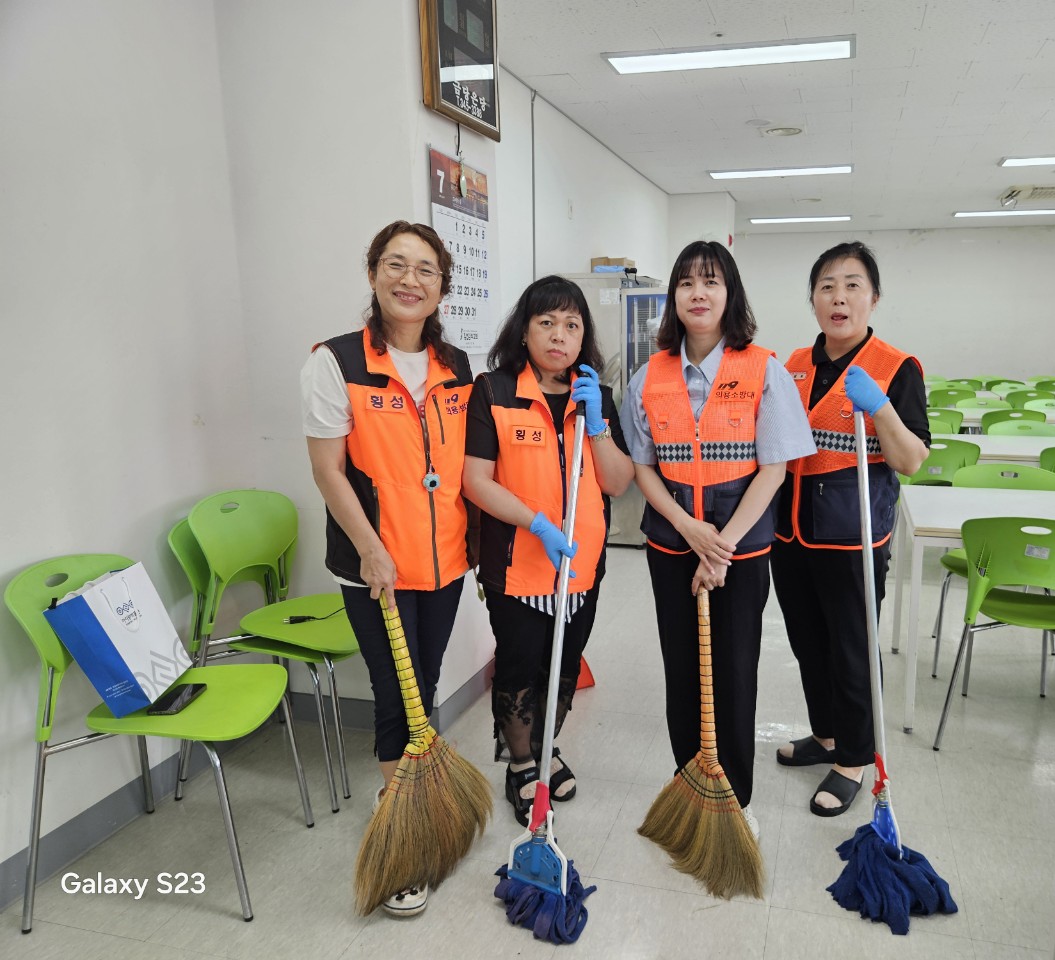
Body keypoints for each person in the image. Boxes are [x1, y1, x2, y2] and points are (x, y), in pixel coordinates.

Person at [302, 220, 475, 917]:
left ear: (441, 287)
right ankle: (400, 827)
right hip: (376, 564)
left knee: (423, 682)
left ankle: (413, 799)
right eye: (396, 265)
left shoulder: (456, 364)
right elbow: (328, 470)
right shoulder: (335, 361)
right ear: (374, 274)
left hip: (446, 560)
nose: (411, 280)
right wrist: (371, 548)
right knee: (396, 692)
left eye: (426, 269)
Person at [621, 240, 815, 838]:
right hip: (671, 544)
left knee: (733, 672)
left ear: (731, 294)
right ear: (673, 298)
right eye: (686, 283)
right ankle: (690, 788)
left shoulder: (763, 369)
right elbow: (643, 468)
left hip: (742, 550)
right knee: (682, 670)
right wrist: (689, 530)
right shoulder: (648, 377)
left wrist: (720, 547)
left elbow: (775, 469)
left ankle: (735, 798)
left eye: (711, 281)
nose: (698, 293)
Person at [462, 275, 633, 825]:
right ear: (524, 330)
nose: (560, 335)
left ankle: (544, 750)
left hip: (580, 566)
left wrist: (598, 424)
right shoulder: (494, 391)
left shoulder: (594, 395)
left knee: (561, 668)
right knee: (518, 670)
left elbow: (617, 483)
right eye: (547, 322)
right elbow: (475, 481)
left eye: (572, 325)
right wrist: (536, 523)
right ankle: (519, 764)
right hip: (516, 566)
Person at [772, 241, 929, 817]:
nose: (839, 298)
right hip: (789, 532)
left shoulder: (896, 367)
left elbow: (910, 460)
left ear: (873, 298)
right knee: (807, 643)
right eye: (827, 287)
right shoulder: (792, 363)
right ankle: (827, 735)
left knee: (852, 648)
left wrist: (881, 407)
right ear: (813, 300)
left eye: (852, 285)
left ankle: (855, 757)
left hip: (852, 535)